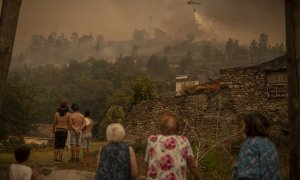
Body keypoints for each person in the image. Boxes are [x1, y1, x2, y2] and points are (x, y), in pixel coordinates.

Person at [144, 112, 200, 180]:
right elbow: (192, 166)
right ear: (177, 128)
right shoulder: (184, 141)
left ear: (161, 126)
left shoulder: (152, 139)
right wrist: (198, 178)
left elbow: (147, 164)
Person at [234, 112, 281, 180]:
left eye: (244, 125)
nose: (242, 128)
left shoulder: (250, 144)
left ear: (248, 127)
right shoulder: (270, 145)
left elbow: (248, 176)